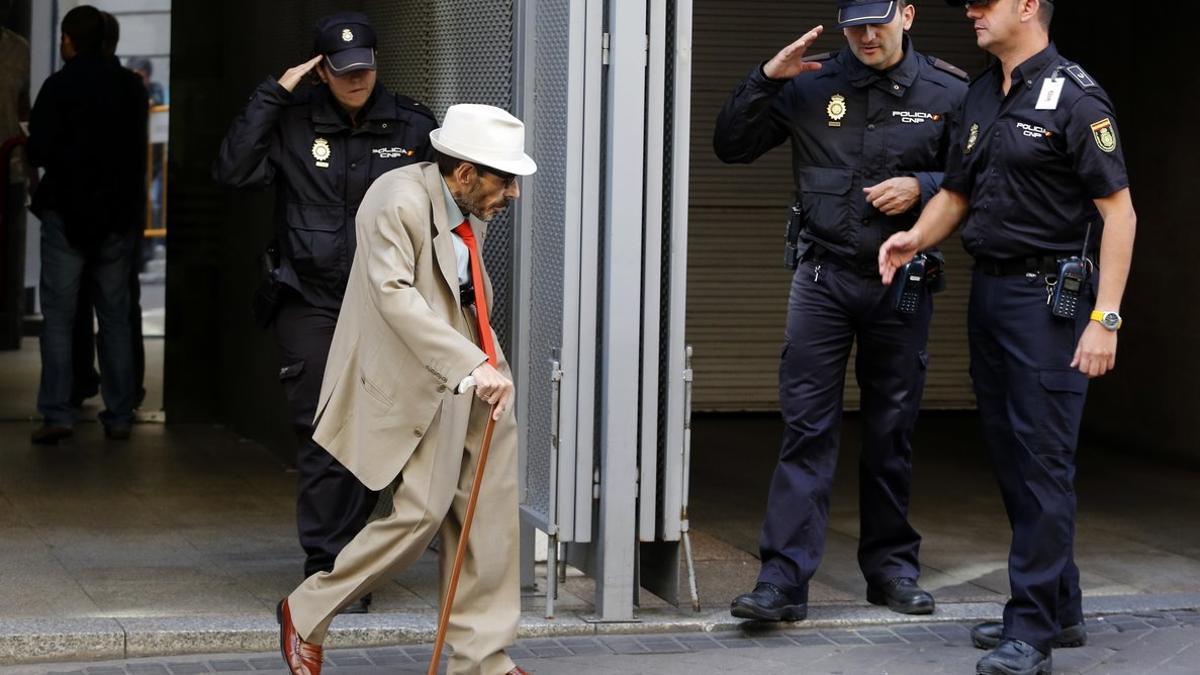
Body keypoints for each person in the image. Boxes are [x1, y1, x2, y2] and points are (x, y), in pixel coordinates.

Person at [879, 1, 1137, 672]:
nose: (971, 10)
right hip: (991, 294)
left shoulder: (1076, 99)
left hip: (1049, 304)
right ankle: (1061, 606)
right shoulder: (981, 93)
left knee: (1044, 461)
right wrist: (914, 238)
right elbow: (958, 194)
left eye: (986, 2)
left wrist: (1105, 316)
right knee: (1011, 456)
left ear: (1028, 6)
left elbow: (1120, 213)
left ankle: (1031, 632)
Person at [714, 0, 967, 622]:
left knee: (891, 431)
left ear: (906, 15)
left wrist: (925, 186)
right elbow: (731, 146)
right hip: (823, 279)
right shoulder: (812, 81)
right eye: (854, 24)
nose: (865, 35)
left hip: (901, 282)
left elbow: (984, 174)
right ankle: (783, 582)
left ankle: (891, 572)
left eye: (878, 21)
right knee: (807, 429)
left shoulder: (950, 90)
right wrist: (766, 78)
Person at [276, 103, 535, 675]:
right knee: (419, 516)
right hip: (428, 368)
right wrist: (467, 364)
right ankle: (306, 609)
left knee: (487, 518)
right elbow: (393, 294)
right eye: (505, 178)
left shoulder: (466, 200)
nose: (513, 192)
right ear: (465, 173)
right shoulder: (395, 199)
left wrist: (485, 363)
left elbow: (460, 288)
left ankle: (482, 660)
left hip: (476, 365)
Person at [213, 12, 437, 612]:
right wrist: (272, 93)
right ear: (320, 70)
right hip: (309, 299)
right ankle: (327, 564)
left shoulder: (413, 124)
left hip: (388, 303)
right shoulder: (290, 122)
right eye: (343, 72)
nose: (357, 79)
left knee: (374, 426)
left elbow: (445, 209)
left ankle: (357, 556)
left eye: (364, 67)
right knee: (322, 428)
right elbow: (232, 171)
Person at [27, 5, 147, 444]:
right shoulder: (129, 89)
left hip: (66, 216)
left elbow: (37, 148)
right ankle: (119, 415)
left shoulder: (58, 86)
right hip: (115, 219)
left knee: (58, 319)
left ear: (68, 40)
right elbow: (137, 154)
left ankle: (57, 413)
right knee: (114, 319)